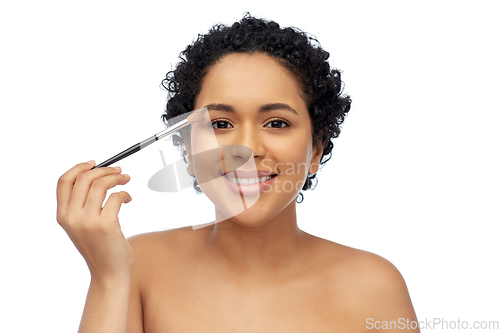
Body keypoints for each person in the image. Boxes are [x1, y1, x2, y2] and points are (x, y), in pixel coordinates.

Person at [56, 14, 419, 332]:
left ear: (317, 149)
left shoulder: (374, 287)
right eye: (221, 124)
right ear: (187, 146)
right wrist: (107, 277)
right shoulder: (137, 267)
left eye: (276, 123)